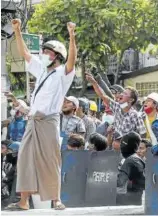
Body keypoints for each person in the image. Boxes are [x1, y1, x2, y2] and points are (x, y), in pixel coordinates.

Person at [5, 19, 77, 211]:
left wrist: (71, 36)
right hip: (33, 121)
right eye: (44, 51)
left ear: (57, 56)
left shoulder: (63, 73)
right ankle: (23, 202)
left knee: (51, 160)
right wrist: (18, 31)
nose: (44, 54)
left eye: (48, 52)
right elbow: (25, 54)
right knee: (25, 158)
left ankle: (56, 199)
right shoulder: (42, 70)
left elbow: (72, 60)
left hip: (49, 121)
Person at [86, 73, 146, 137]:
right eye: (122, 92)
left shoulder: (135, 116)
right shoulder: (117, 107)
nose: (121, 94)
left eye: (125, 94)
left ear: (131, 100)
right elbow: (102, 95)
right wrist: (93, 82)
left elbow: (143, 134)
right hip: (114, 145)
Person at [117, 132, 145, 206]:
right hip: (137, 199)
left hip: (129, 202)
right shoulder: (137, 159)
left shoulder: (130, 161)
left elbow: (120, 183)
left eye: (123, 144)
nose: (121, 147)